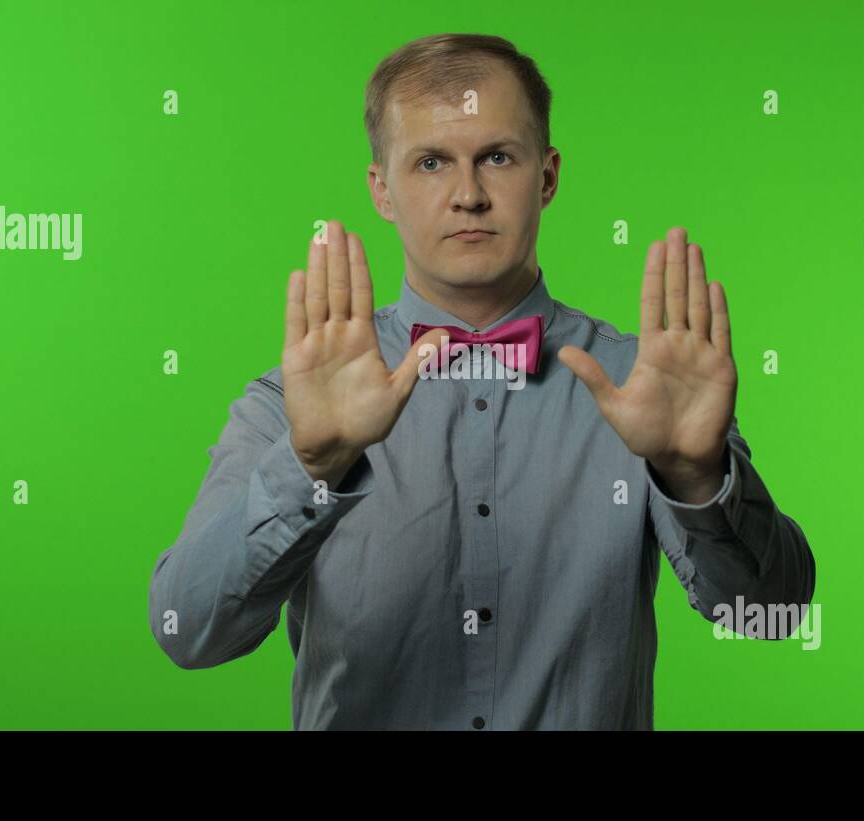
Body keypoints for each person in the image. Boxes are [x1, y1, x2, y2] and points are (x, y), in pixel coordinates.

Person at [148, 32, 815, 730]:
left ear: (549, 176)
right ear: (382, 189)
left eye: (497, 157)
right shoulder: (290, 404)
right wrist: (310, 466)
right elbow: (186, 631)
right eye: (431, 162)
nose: (468, 195)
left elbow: (775, 614)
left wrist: (695, 475)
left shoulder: (643, 386)